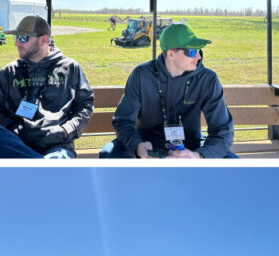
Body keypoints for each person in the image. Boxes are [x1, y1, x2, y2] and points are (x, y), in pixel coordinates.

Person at [100, 23, 235, 159]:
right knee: (108, 154)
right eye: (192, 52)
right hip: (148, 141)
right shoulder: (141, 75)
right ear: (171, 54)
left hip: (191, 143)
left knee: (232, 162)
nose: (198, 57)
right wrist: (137, 147)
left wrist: (199, 155)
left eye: (199, 50)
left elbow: (222, 130)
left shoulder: (208, 79)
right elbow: (123, 121)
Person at [0, 15, 94, 159]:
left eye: (23, 38)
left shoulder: (70, 68)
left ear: (43, 40)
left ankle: (34, 170)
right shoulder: (10, 71)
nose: (17, 43)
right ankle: (40, 169)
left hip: (56, 146)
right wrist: (14, 128)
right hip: (17, 143)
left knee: (53, 161)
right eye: (15, 37)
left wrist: (65, 131)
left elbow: (85, 104)